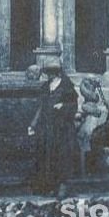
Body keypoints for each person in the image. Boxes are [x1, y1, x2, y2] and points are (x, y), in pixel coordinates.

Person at [28, 60, 78, 194]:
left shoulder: (66, 87)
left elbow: (74, 105)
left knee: (61, 155)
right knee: (47, 155)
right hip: (47, 126)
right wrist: (33, 124)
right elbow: (41, 107)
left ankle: (62, 185)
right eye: (48, 72)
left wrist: (63, 106)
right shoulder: (45, 87)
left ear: (57, 73)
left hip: (62, 127)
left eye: (51, 72)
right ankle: (50, 185)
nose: (49, 75)